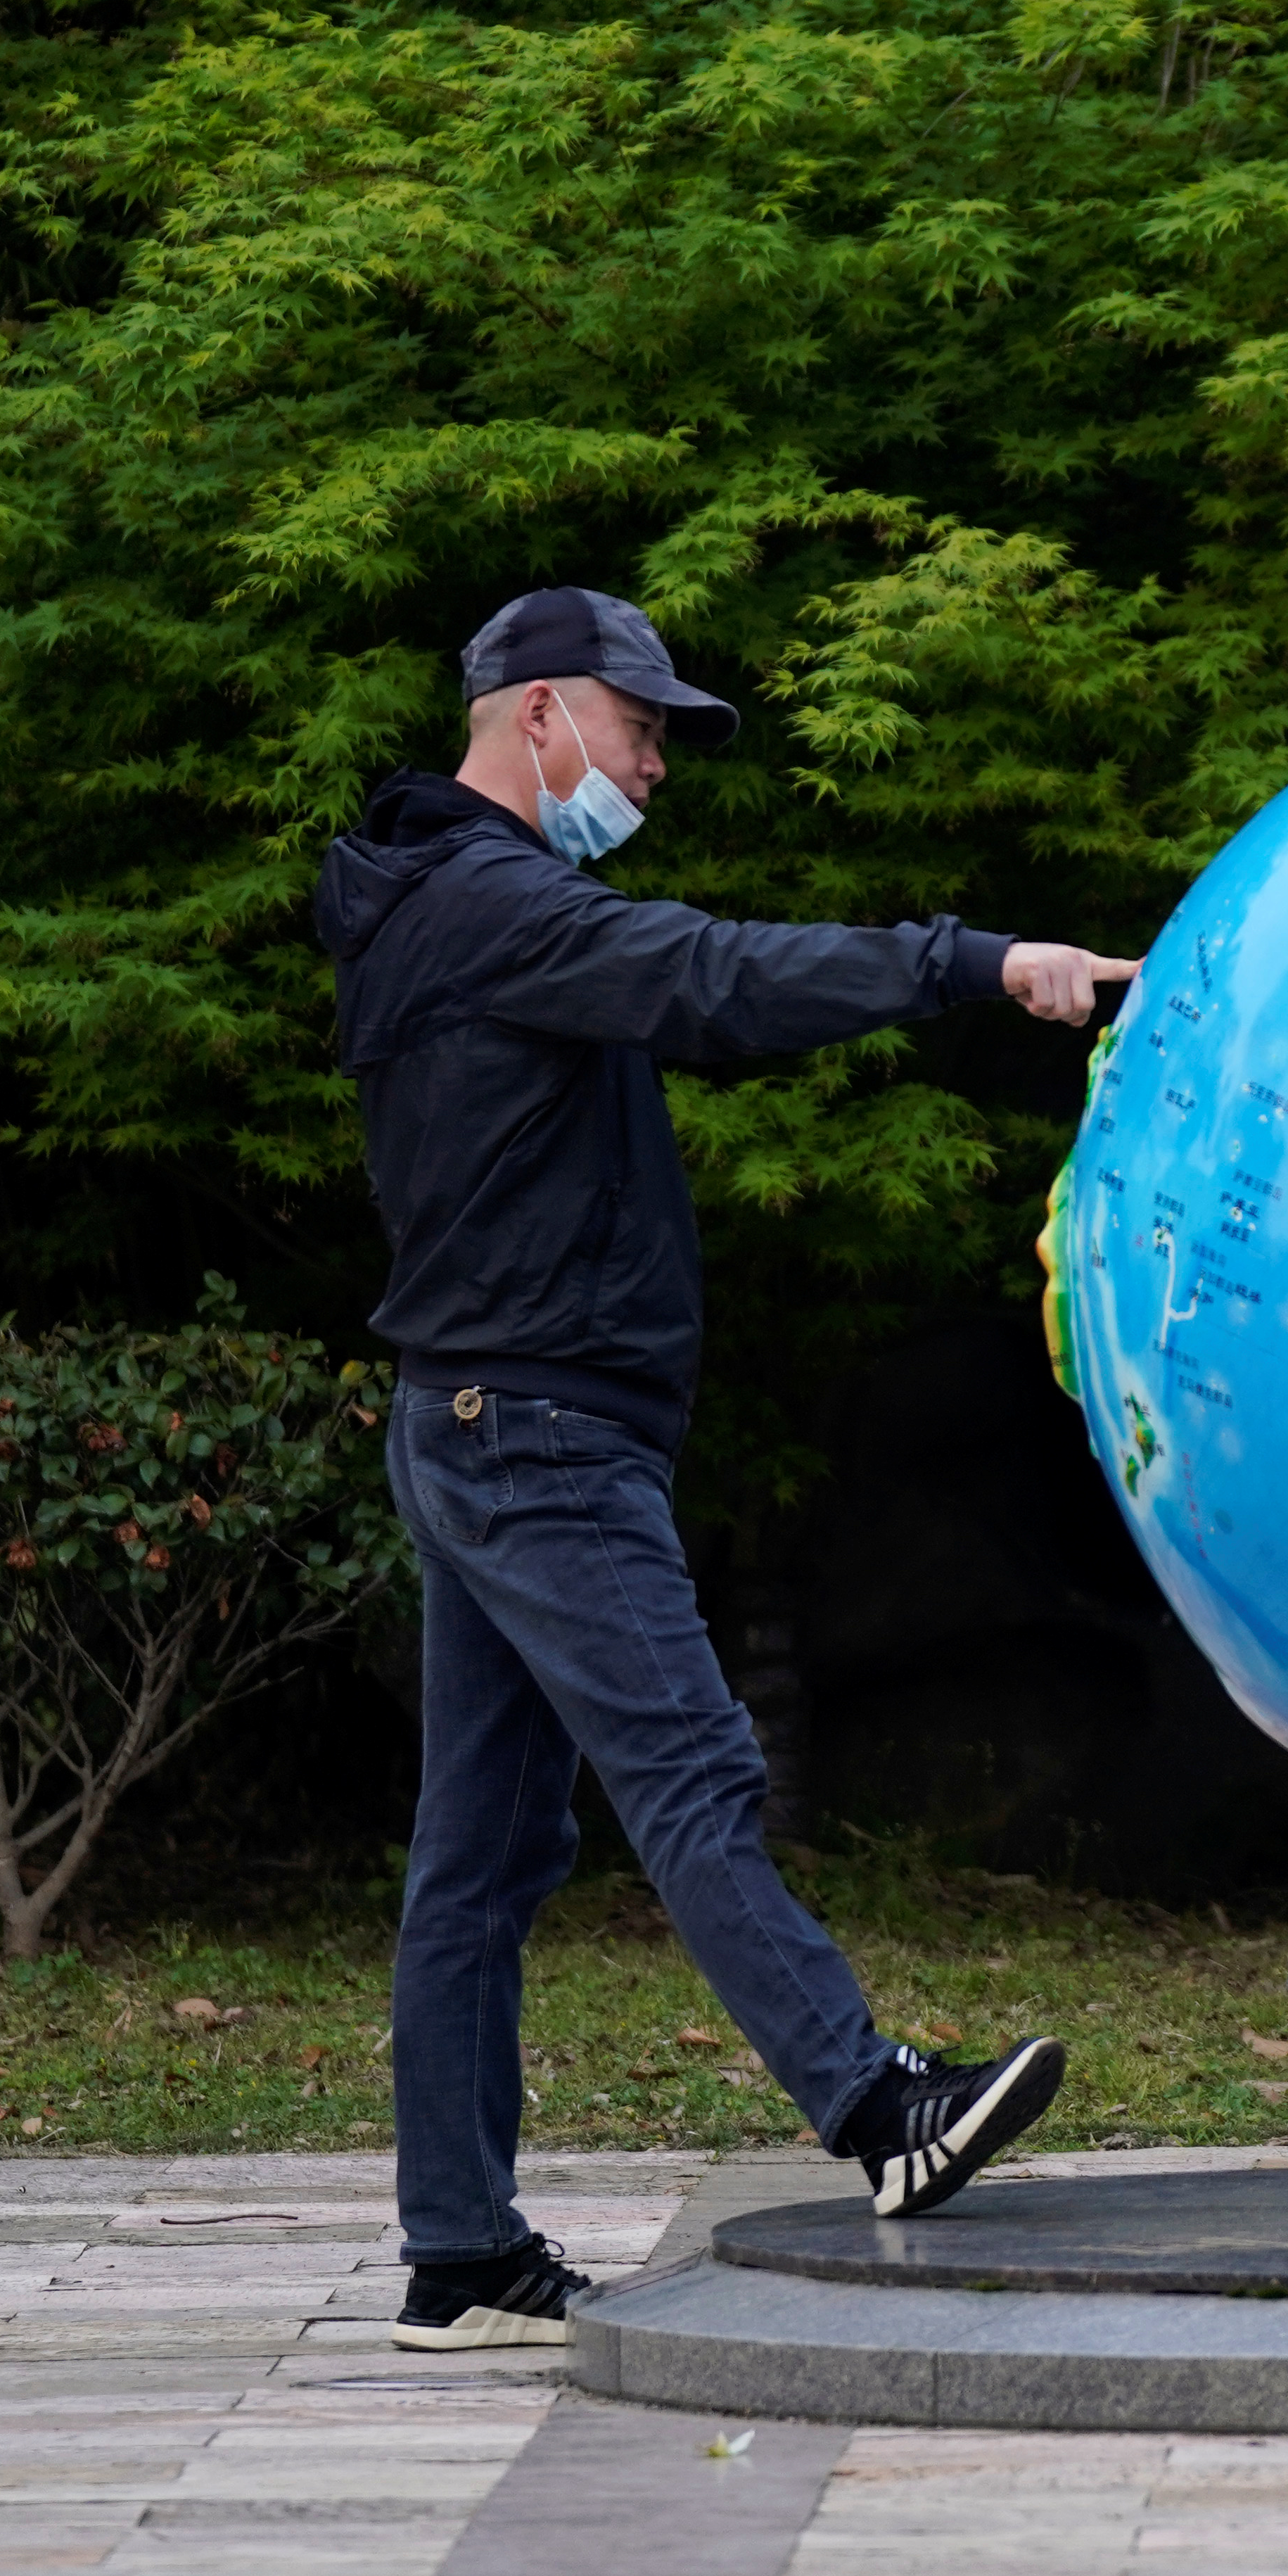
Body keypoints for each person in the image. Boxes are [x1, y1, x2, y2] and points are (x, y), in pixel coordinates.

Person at [318, 586, 1137, 2349]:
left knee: (478, 1852)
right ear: (537, 712)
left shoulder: (440, 901)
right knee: (690, 1771)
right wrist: (968, 962)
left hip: (474, 1413)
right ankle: (876, 2110)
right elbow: (711, 976)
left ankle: (455, 2237)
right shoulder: (488, 903)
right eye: (637, 729)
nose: (656, 765)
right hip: (532, 1430)